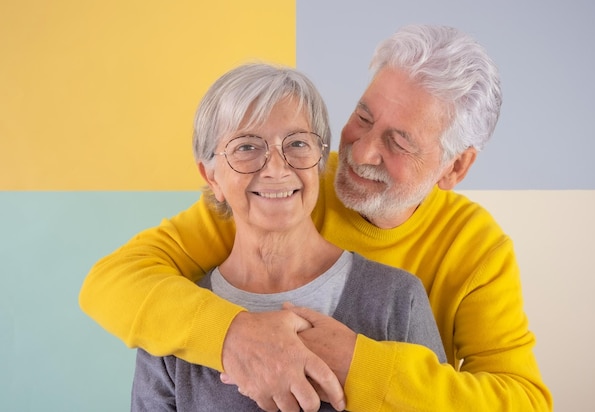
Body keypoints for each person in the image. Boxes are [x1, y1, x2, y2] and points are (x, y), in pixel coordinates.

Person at [80, 24, 553, 411]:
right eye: (363, 118)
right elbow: (113, 282)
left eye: (399, 141)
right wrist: (233, 335)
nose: (361, 151)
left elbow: (525, 401)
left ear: (455, 167)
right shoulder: (281, 190)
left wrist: (362, 366)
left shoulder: (472, 251)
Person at [130, 62, 446, 411]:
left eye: (297, 143)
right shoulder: (172, 329)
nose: (277, 168)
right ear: (212, 177)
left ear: (321, 161)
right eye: (246, 147)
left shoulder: (398, 300)